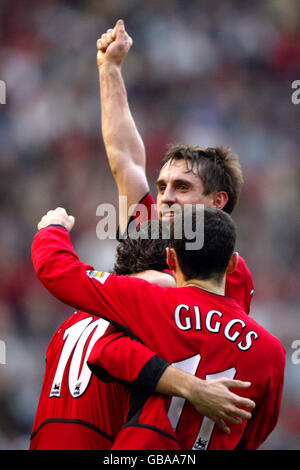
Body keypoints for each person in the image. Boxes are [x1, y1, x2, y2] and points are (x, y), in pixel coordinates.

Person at [32, 206, 285, 450]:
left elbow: (103, 349)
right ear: (232, 264)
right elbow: (254, 436)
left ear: (171, 259)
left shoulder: (153, 301)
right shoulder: (272, 352)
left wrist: (53, 228)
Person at [96, 19, 254, 315]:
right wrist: (110, 69)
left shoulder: (229, 269)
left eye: (182, 187)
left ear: (217, 200)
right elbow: (125, 158)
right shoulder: (147, 229)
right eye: (162, 186)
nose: (166, 197)